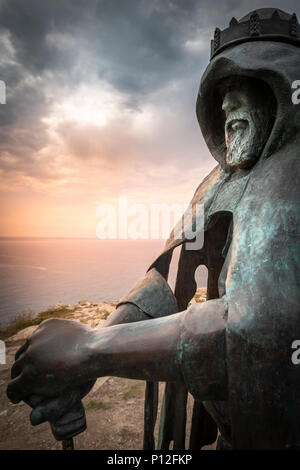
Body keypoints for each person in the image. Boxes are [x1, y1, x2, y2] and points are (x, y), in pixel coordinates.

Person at [7, 8, 300, 449]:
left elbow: (259, 331)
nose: (225, 104)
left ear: (281, 90)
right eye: (220, 91)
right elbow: (164, 279)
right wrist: (95, 344)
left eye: (243, 86)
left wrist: (90, 351)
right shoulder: (216, 183)